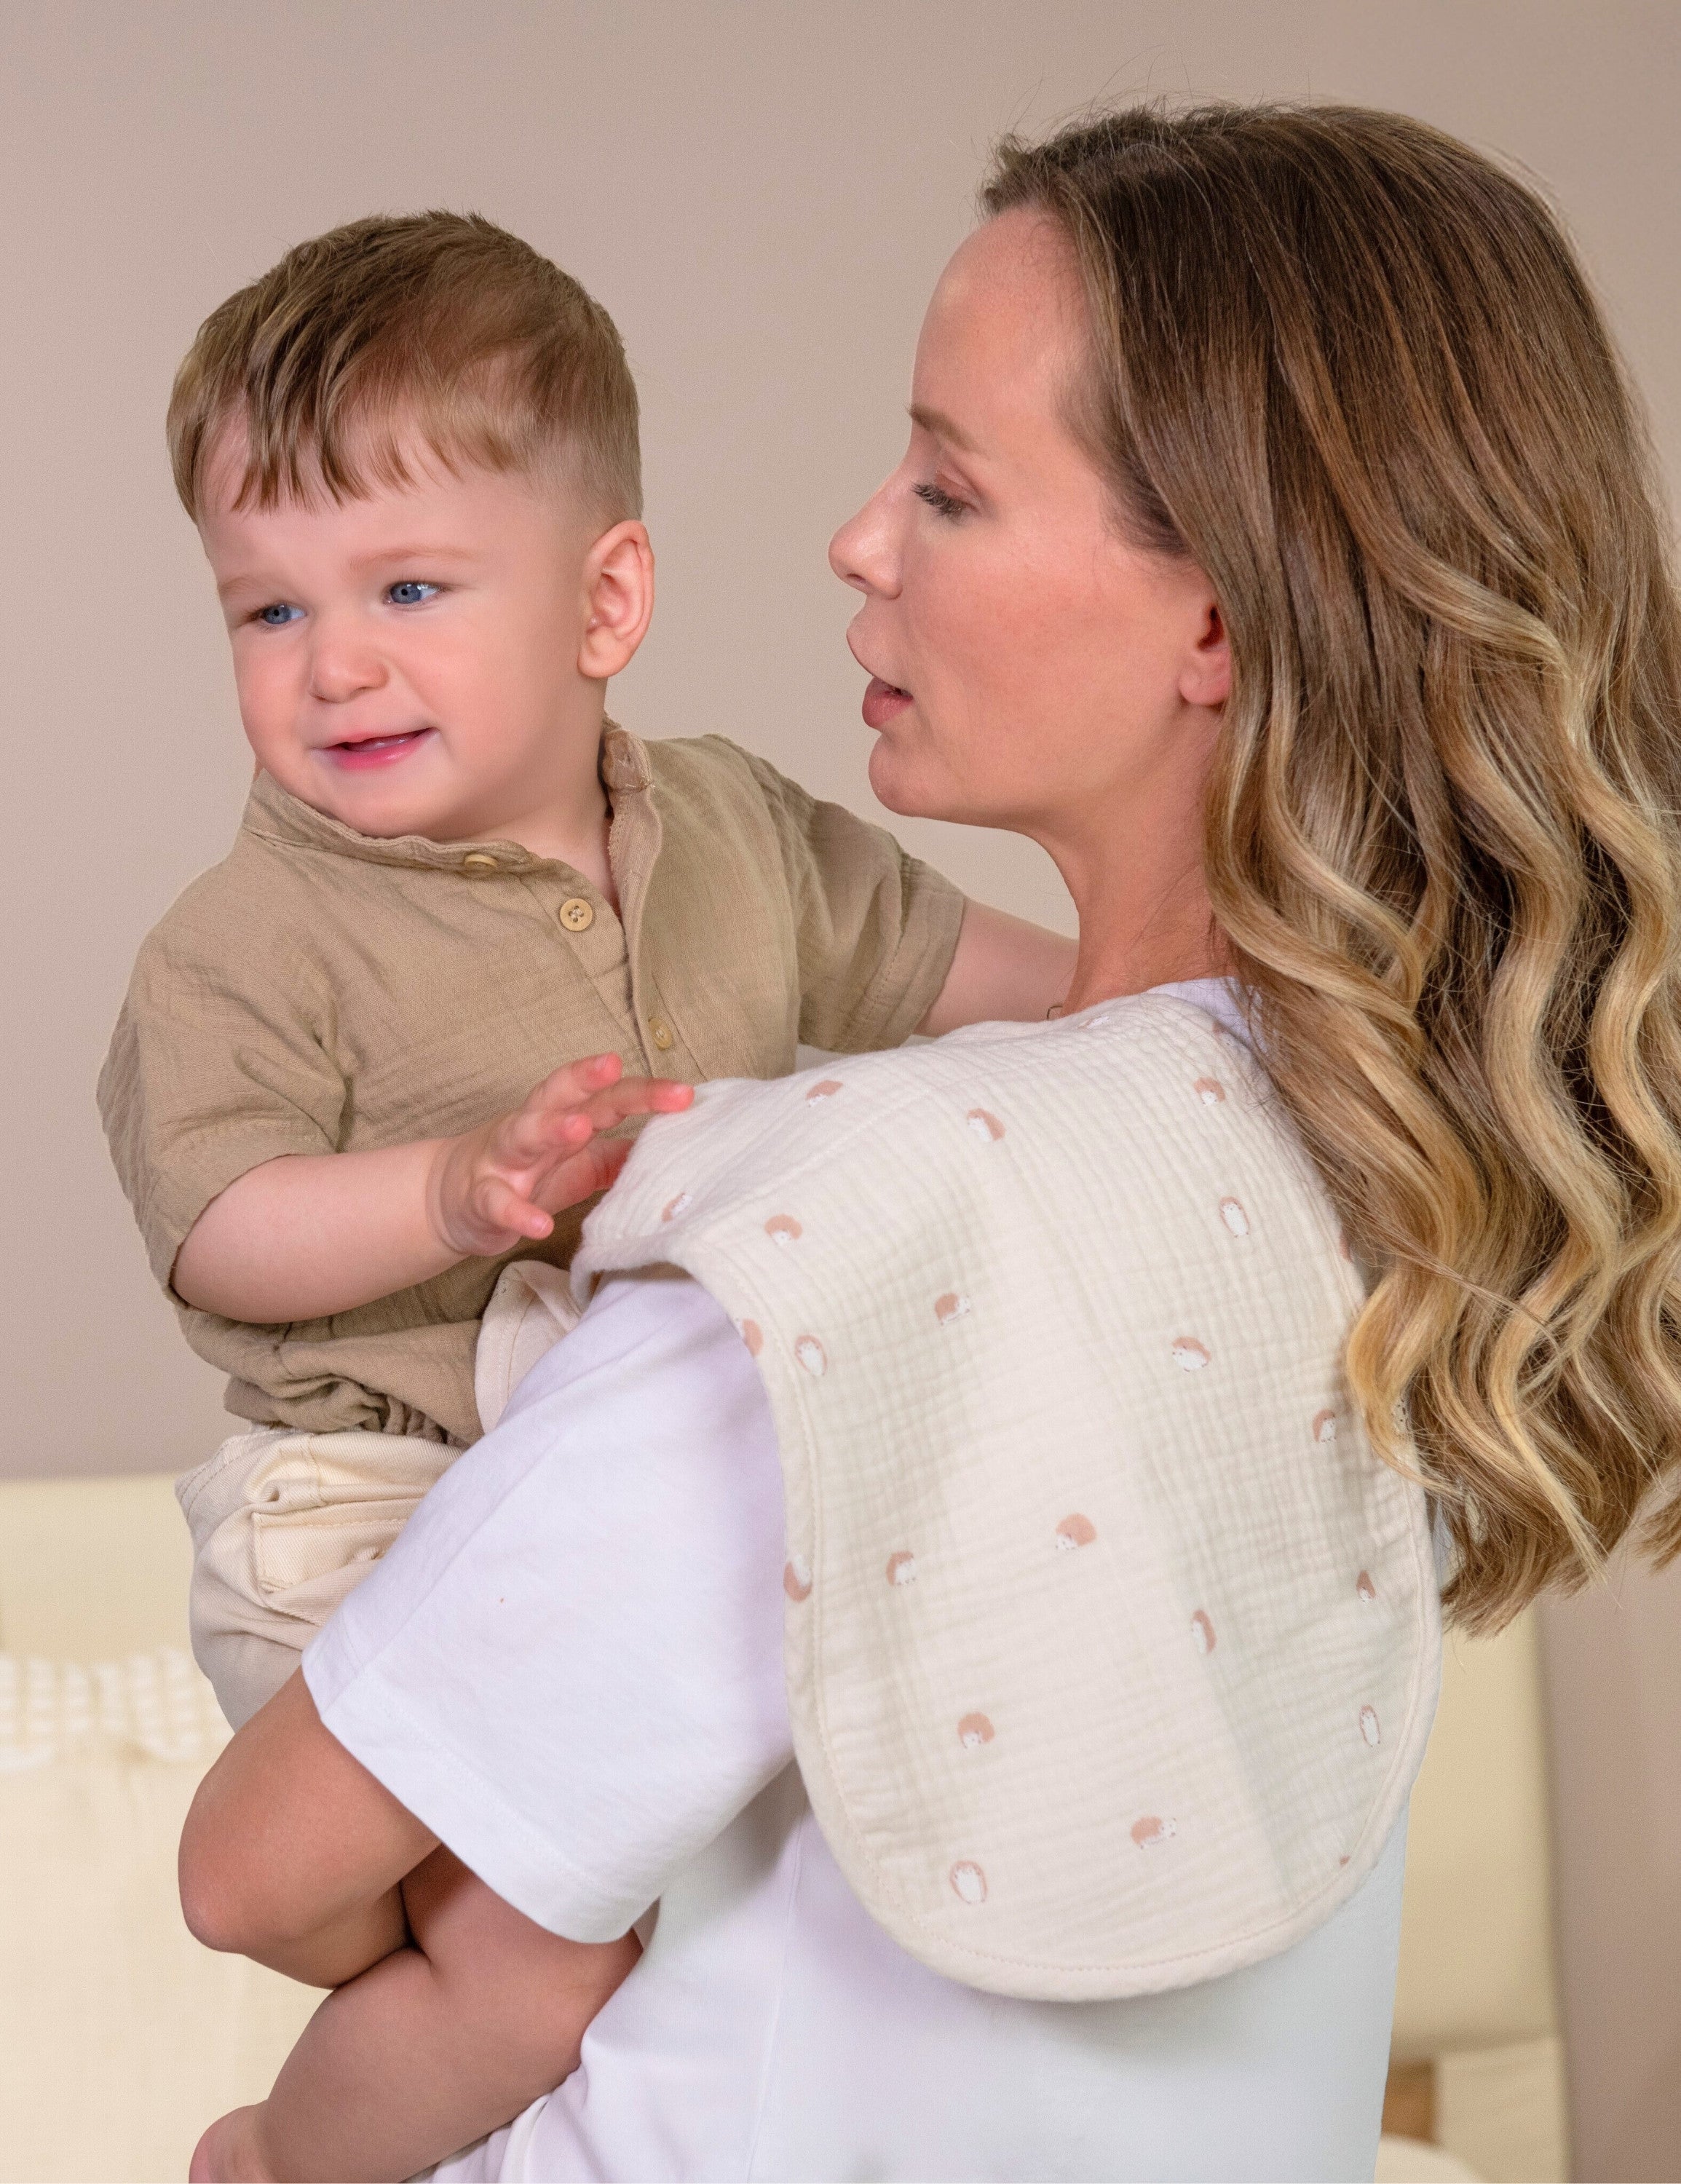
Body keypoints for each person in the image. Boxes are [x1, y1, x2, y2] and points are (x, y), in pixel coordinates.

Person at [180, 101, 1681, 2183]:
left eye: (951, 488)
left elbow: (251, 1870)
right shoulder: (1402, 1175)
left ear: (1218, 623)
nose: (859, 539)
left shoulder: (866, 1228)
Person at [96, 212, 1072, 2183]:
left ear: (604, 599)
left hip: (605, 1517)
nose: (332, 664)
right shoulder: (249, 937)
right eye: (265, 612)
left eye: (407, 586)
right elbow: (218, 1223)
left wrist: (1202, 998)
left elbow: (971, 970)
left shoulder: (734, 827)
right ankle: (268, 2165)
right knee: (535, 1974)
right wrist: (448, 1195)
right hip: (369, 1509)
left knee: (728, 1898)